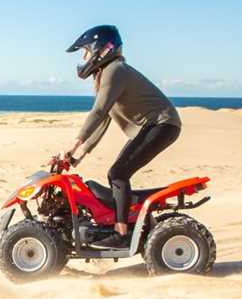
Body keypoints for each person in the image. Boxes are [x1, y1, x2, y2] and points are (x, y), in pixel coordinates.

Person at [61, 25, 182, 248]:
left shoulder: (115, 70)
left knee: (118, 173)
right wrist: (77, 157)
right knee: (118, 173)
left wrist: (74, 142)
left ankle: (121, 232)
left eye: (85, 52)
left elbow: (97, 112)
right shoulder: (106, 74)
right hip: (154, 126)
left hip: (161, 124)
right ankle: (129, 222)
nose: (84, 58)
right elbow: (103, 119)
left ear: (100, 50)